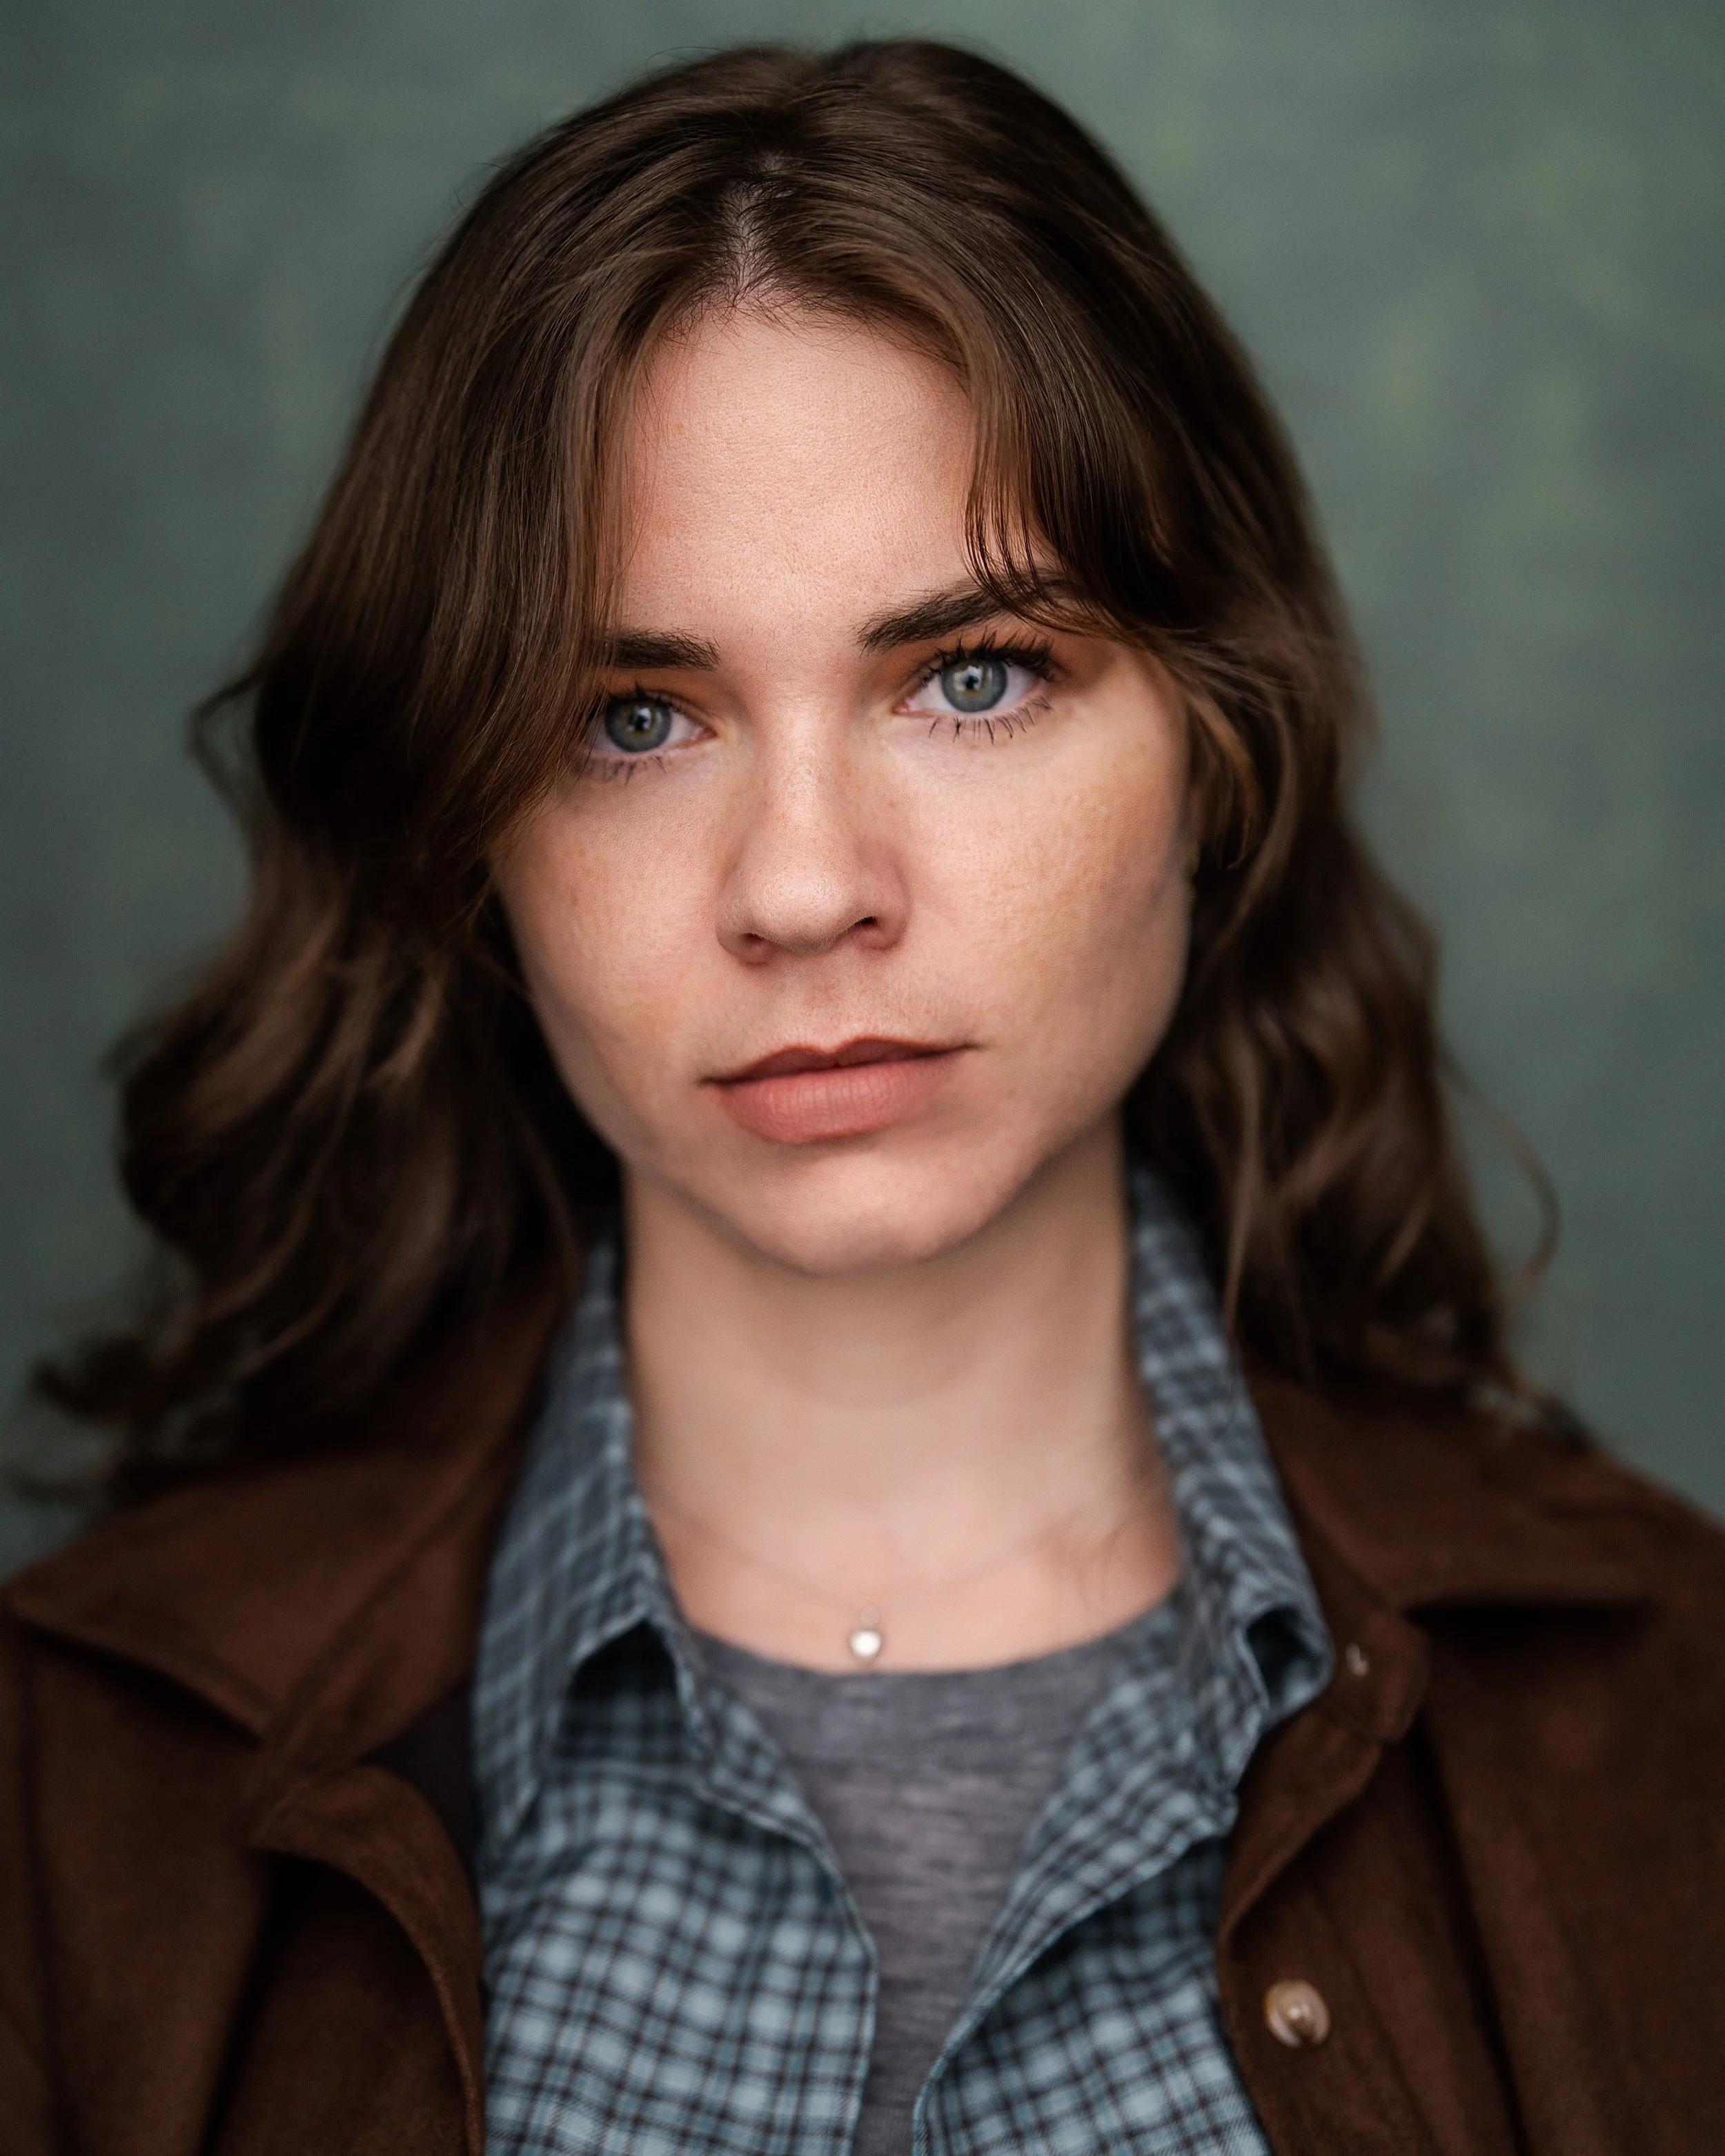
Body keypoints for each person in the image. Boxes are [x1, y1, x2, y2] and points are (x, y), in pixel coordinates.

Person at [2, 37, 1719, 2156]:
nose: (805, 886)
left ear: (1218, 747)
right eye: (634, 715)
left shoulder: (1669, 1716)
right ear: (465, 835)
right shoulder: (65, 1790)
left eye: (971, 677)